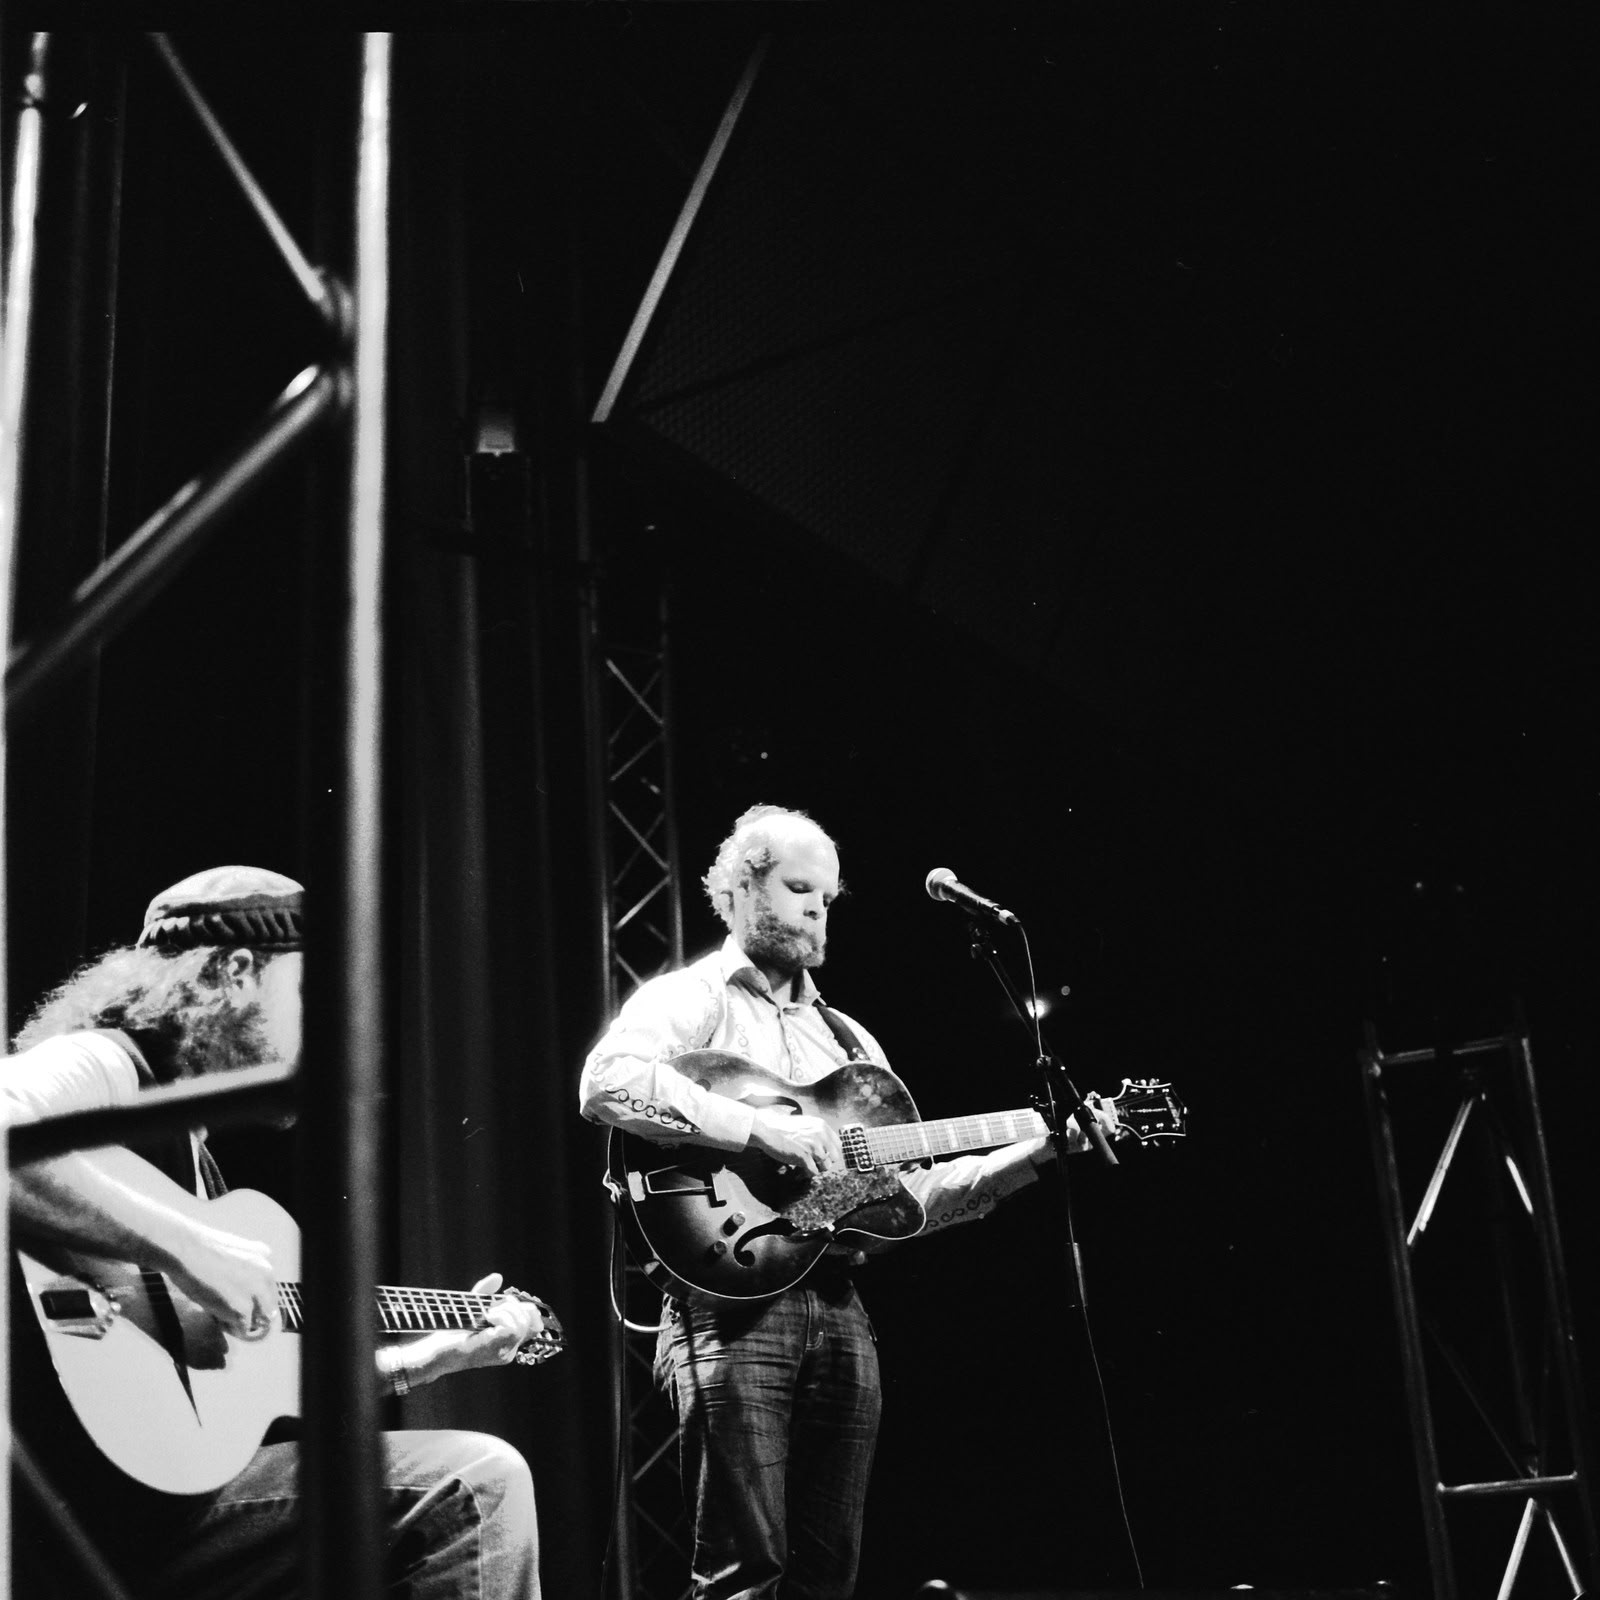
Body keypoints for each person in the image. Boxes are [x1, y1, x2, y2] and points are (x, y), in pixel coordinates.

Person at [579, 805, 1113, 1600]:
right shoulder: (692, 998)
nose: (816, 911)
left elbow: (913, 1197)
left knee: (828, 1576)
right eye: (798, 889)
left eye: (827, 899)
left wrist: (1042, 1149)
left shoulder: (851, 1045)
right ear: (739, 887)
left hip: (839, 1306)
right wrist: (755, 1129)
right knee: (744, 1574)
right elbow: (606, 1083)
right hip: (728, 1304)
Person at [6, 865, 543, 1599]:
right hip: (74, 1519)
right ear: (234, 973)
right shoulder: (109, 1066)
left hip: (158, 1514)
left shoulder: (196, 1166)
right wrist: (185, 1247)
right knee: (472, 1485)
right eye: (308, 995)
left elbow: (262, 1397)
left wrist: (427, 1362)